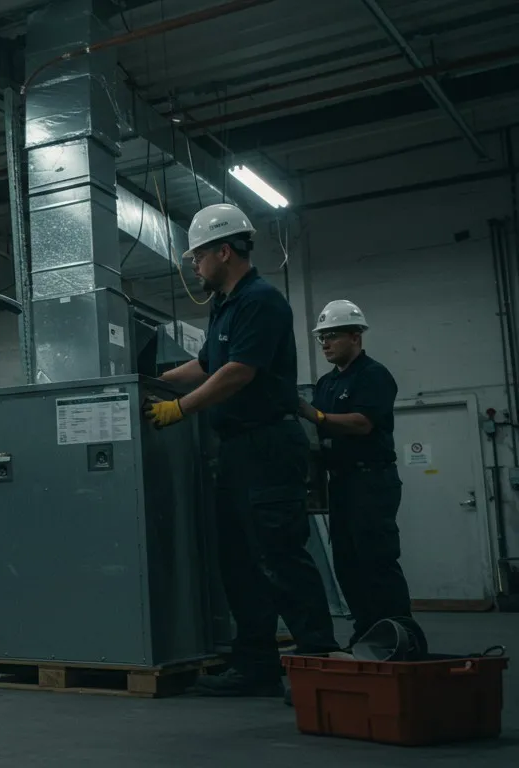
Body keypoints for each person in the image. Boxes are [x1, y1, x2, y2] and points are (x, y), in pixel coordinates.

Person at [148, 203, 338, 697]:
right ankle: (255, 664)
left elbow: (238, 371)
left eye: (197, 257)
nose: (193, 265)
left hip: (268, 445)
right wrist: (148, 385)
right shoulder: (225, 304)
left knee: (279, 555)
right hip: (235, 451)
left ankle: (320, 661)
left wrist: (181, 409)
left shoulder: (260, 301)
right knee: (239, 560)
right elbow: (207, 362)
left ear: (224, 251)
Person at [299, 300, 425, 651]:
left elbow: (362, 423)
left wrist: (317, 417)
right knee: (348, 563)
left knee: (376, 560)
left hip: (371, 482)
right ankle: (367, 630)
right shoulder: (326, 383)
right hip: (341, 483)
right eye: (322, 337)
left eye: (332, 335)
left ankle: (400, 634)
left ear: (356, 336)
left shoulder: (373, 375)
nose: (325, 343)